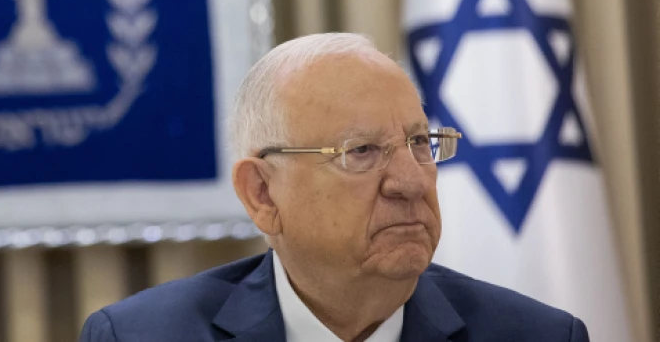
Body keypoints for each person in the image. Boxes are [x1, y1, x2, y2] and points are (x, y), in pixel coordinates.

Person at [80, 33, 589, 342]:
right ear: (262, 194)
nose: (412, 181)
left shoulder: (539, 339)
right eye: (361, 152)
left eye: (419, 142)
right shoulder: (141, 340)